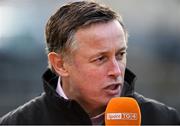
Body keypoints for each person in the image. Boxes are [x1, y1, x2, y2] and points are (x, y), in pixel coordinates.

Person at [0, 0, 180, 125]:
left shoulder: (166, 119)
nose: (116, 71)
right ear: (60, 64)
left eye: (120, 55)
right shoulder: (18, 123)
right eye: (100, 59)